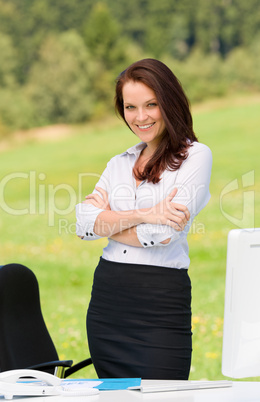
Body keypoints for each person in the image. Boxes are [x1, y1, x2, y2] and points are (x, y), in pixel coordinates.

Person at [76, 58, 212, 380]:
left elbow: (161, 234)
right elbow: (83, 223)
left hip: (159, 301)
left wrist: (107, 222)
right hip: (108, 301)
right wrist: (144, 213)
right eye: (130, 107)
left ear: (169, 102)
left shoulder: (196, 156)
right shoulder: (118, 163)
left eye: (151, 104)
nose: (140, 117)